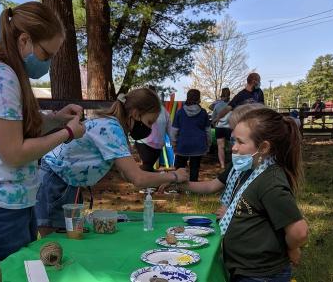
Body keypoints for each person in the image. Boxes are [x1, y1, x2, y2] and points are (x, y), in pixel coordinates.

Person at [0, 2, 86, 265]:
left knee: (22, 272)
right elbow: (14, 153)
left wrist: (56, 120)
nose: (48, 63)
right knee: (10, 275)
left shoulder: (8, 72)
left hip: (9, 203)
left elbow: (16, 128)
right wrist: (67, 132)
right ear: (25, 40)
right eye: (46, 54)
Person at [174, 108, 308, 281]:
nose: (233, 147)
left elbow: (299, 231)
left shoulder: (270, 182)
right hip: (243, 269)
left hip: (261, 274)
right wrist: (177, 182)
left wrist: (291, 248)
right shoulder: (247, 168)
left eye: (240, 142)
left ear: (264, 147)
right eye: (233, 140)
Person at [35, 88, 188, 236]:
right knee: (56, 241)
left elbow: (127, 174)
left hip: (64, 181)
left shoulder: (112, 126)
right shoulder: (111, 129)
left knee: (69, 237)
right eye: (149, 122)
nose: (149, 128)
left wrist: (163, 179)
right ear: (135, 114)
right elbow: (137, 178)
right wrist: (174, 176)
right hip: (56, 183)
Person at [170, 89, 210, 181]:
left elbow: (174, 131)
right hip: (198, 145)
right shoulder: (203, 113)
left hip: (182, 145)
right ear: (198, 99)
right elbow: (207, 131)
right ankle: (193, 188)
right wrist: (208, 144)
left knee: (180, 168)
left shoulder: (180, 112)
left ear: (187, 97)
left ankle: (179, 187)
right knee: (194, 169)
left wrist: (173, 144)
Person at [135, 85, 173, 172]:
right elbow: (170, 129)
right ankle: (146, 181)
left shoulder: (144, 108)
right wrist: (173, 142)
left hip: (146, 142)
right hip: (153, 143)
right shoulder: (163, 110)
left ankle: (145, 181)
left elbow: (169, 128)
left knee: (147, 166)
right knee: (148, 166)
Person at [211, 88, 232, 169]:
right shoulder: (232, 104)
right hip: (230, 128)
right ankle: (231, 165)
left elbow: (213, 117)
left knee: (221, 147)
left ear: (222, 95)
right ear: (229, 94)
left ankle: (222, 165)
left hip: (219, 128)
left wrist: (214, 123)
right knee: (232, 147)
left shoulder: (217, 105)